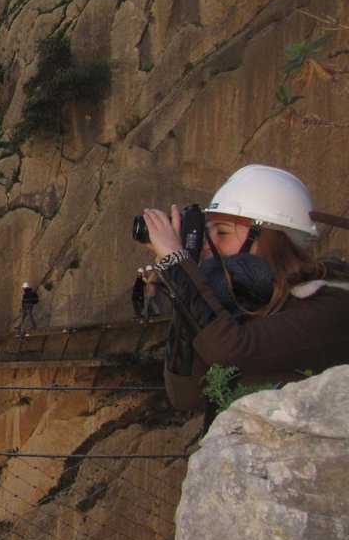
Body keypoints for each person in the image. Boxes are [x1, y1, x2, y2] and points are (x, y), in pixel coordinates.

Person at [140, 163, 349, 411]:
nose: (209, 245)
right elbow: (186, 395)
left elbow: (233, 350)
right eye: (208, 233)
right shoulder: (245, 305)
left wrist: (177, 264)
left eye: (223, 232)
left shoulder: (333, 304)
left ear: (268, 239)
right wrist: (186, 285)